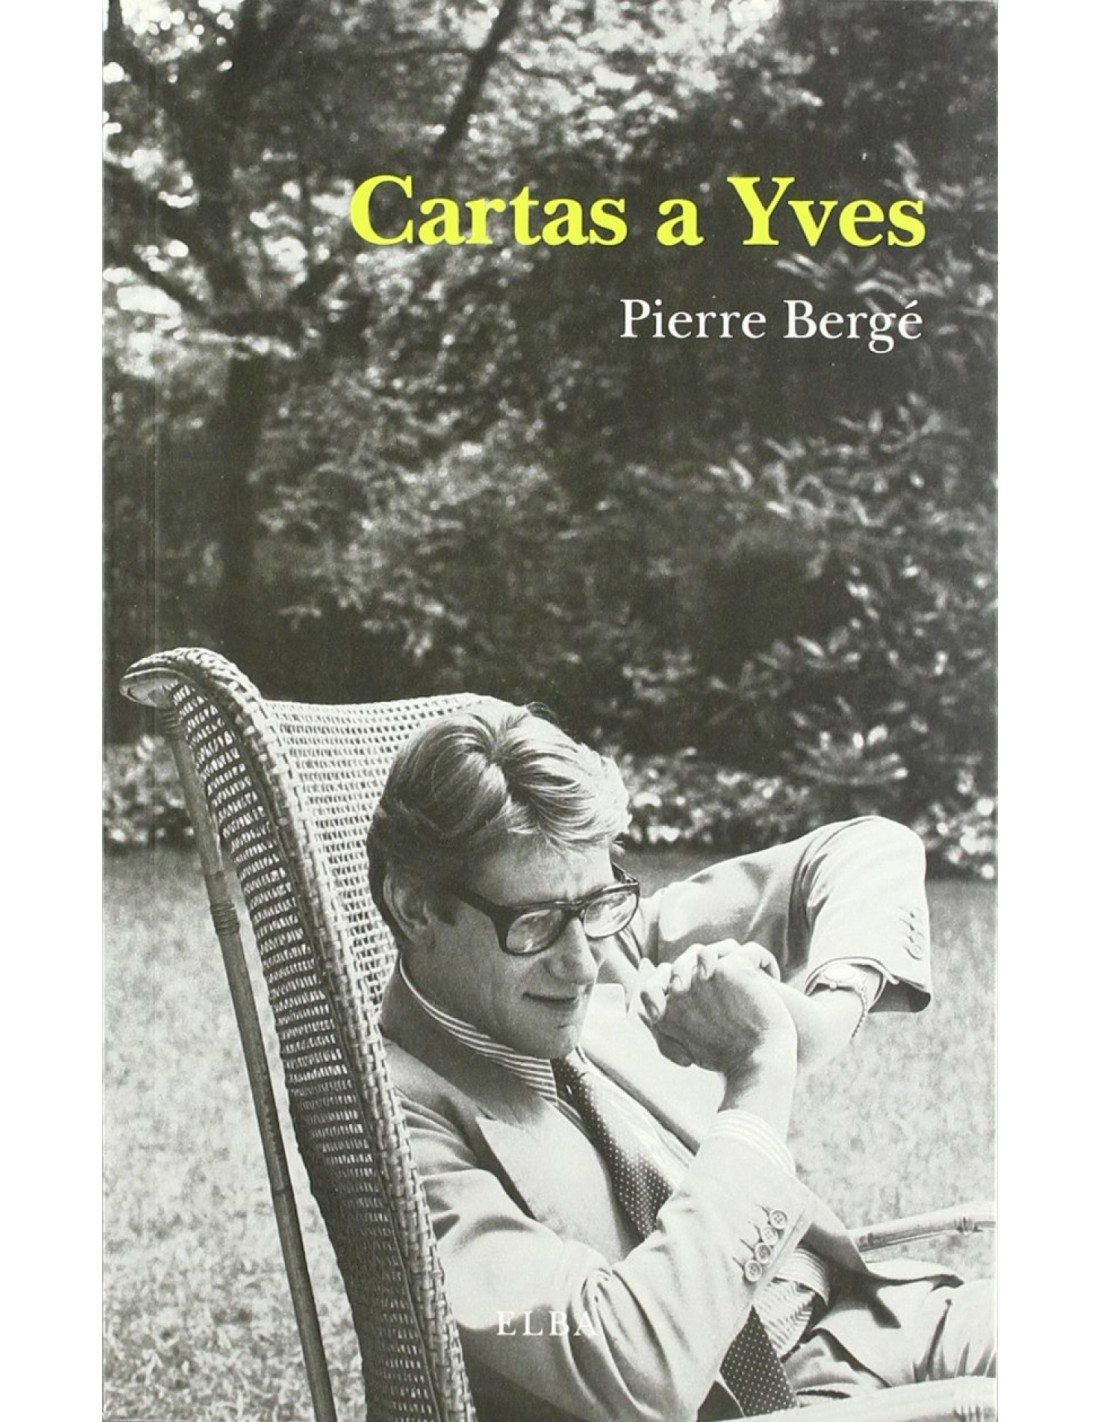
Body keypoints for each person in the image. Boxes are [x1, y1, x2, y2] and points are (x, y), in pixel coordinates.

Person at [367, 698, 993, 1422]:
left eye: (598, 904)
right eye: (534, 924)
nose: (581, 966)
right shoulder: (399, 1131)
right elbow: (633, 1363)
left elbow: (868, 848)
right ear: (414, 908)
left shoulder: (606, 948)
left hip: (868, 1321)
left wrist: (822, 1021)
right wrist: (759, 1073)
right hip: (756, 1404)